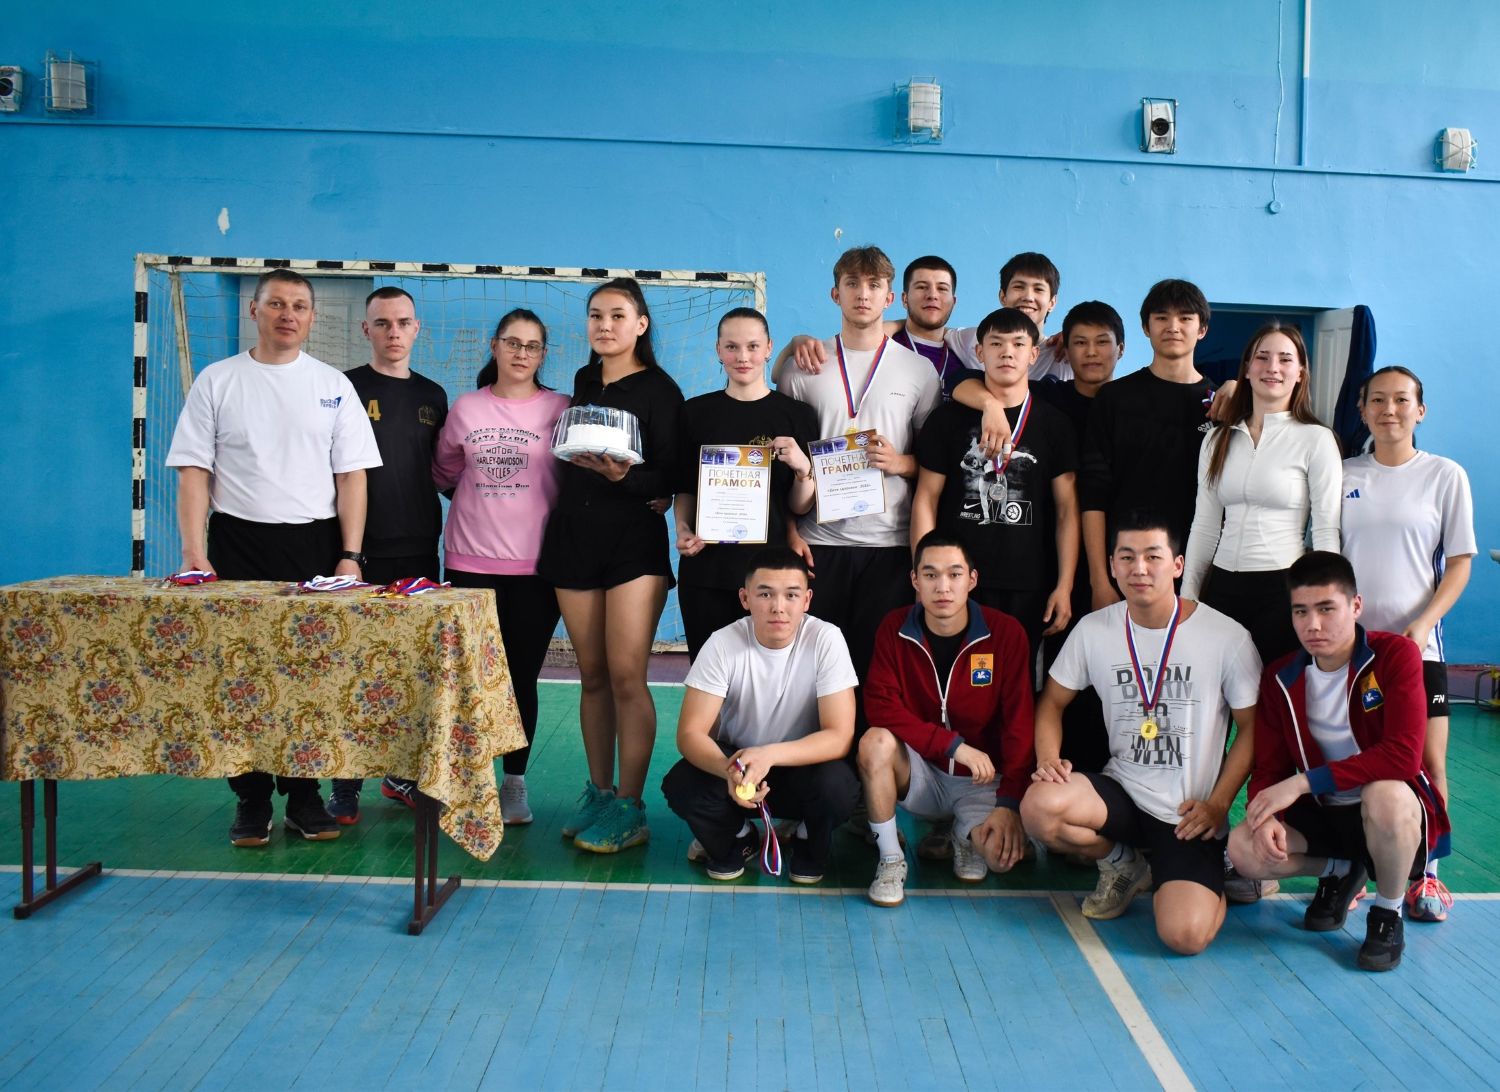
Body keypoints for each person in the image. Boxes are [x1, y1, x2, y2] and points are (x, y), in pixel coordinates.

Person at [165, 269, 381, 847]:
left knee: (312, 676)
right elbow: (194, 471)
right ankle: (252, 799)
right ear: (255, 311)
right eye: (277, 304)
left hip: (314, 547)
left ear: (312, 317)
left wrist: (350, 555)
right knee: (241, 676)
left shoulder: (333, 385)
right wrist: (194, 553)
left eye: (299, 306)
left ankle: (305, 797)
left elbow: (352, 476)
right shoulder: (217, 380)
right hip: (236, 544)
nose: (289, 314)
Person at [1020, 511, 1261, 955]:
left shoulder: (1226, 637)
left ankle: (1217, 874)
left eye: (1153, 556)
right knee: (1039, 807)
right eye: (1127, 557)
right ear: (1112, 565)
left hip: (1187, 814)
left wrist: (1218, 805)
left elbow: (1252, 729)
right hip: (1123, 794)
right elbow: (1051, 702)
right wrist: (1048, 759)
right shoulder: (1095, 630)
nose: (1139, 568)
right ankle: (1123, 864)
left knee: (1185, 937)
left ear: (1178, 565)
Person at [1227, 551, 1451, 972]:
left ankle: (1386, 914)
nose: (1312, 624)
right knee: (1243, 847)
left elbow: (1404, 756)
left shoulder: (1395, 655)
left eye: (1326, 609)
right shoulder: (1281, 677)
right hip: (1327, 813)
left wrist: (1303, 783)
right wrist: (1268, 813)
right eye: (1301, 611)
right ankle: (1340, 870)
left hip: (1387, 814)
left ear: (1356, 605)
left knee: (1386, 794)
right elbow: (1270, 769)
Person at [536, 277, 683, 853]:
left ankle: (630, 805)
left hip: (632, 546)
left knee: (626, 675)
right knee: (591, 675)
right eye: (596, 315)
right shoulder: (583, 380)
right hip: (574, 539)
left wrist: (629, 479)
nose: (605, 325)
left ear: (640, 325)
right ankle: (599, 793)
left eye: (618, 315)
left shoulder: (661, 391)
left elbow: (672, 475)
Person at [1341, 366, 1475, 922]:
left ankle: (1428, 874)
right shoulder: (1343, 473)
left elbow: (1460, 563)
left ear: (1420, 410)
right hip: (1352, 652)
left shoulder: (1445, 475)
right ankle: (1354, 869)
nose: (1389, 409)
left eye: (1401, 400)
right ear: (1362, 410)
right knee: (1353, 759)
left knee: (1427, 761)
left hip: (1419, 651)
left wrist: (1423, 623)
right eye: (1377, 400)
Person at [773, 245, 941, 684]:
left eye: (874, 285)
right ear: (836, 294)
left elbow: (933, 464)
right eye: (852, 284)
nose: (862, 294)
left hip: (889, 545)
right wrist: (790, 530)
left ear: (890, 297)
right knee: (812, 673)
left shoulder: (919, 371)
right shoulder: (803, 367)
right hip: (819, 542)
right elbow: (783, 466)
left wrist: (900, 462)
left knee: (876, 673)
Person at [431, 308, 570, 825]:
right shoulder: (466, 407)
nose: (521, 353)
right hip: (470, 565)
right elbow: (445, 472)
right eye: (513, 343)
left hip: (536, 570)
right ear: (494, 346)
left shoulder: (561, 408)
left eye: (532, 346)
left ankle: (514, 782)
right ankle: (467, 780)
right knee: (468, 679)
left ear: (543, 354)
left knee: (519, 678)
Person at [326, 287, 450, 824]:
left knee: (411, 667)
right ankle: (345, 783)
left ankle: (401, 774)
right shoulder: (344, 387)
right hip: (356, 553)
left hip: (419, 547)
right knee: (351, 666)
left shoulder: (433, 395)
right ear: (366, 330)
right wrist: (346, 550)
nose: (393, 332)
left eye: (402, 323)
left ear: (416, 329)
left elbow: (444, 471)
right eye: (382, 323)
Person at [661, 548, 859, 883]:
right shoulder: (723, 643)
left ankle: (807, 840)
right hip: (739, 767)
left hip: (801, 767)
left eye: (791, 595)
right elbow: (690, 734)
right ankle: (738, 837)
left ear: (807, 600)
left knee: (839, 787)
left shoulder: (826, 639)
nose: (778, 607)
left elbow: (839, 737)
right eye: (765, 594)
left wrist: (768, 755)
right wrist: (731, 771)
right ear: (745, 598)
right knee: (683, 784)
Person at [858, 533, 1035, 906]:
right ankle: (890, 858)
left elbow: (1019, 724)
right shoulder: (894, 627)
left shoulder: (1006, 633)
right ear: (915, 580)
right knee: (874, 742)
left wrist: (1009, 803)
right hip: (922, 774)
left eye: (954, 574)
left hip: (982, 780)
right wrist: (952, 746)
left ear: (972, 579)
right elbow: (880, 707)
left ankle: (962, 833)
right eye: (931, 574)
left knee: (999, 859)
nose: (942, 587)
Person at [910, 307, 1078, 669]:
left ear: (1033, 354)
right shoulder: (947, 419)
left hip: (1029, 581)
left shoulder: (1056, 425)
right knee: (959, 679)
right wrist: (924, 574)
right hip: (957, 580)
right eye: (996, 344)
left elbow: (1067, 510)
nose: (1007, 353)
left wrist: (1064, 585)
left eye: (1018, 344)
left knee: (1016, 683)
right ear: (979, 352)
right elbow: (926, 499)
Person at [1182, 322, 1341, 664]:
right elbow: (1205, 525)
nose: (1272, 367)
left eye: (1285, 359)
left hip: (1283, 589)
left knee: (1272, 692)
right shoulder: (1216, 439)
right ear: (1247, 369)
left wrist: (1327, 600)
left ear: (1300, 372)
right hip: (1221, 587)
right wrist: (1189, 594)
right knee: (1216, 691)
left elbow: (1326, 528)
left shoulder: (1316, 439)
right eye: (1262, 357)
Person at [675, 307, 818, 660]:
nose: (743, 357)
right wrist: (682, 528)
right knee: (708, 674)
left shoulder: (797, 415)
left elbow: (799, 505)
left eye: (753, 346)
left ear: (768, 348)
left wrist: (803, 469)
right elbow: (686, 488)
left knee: (769, 676)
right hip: (707, 570)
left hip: (771, 575)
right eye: (732, 347)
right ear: (718, 350)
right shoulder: (694, 413)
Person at [1080, 279, 1217, 612]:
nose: (1173, 327)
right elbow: (1093, 494)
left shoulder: (1219, 405)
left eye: (1185, 318)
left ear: (1202, 329)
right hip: (1126, 567)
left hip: (1199, 568)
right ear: (1146, 327)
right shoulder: (1114, 398)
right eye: (1161, 318)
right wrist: (1099, 580)